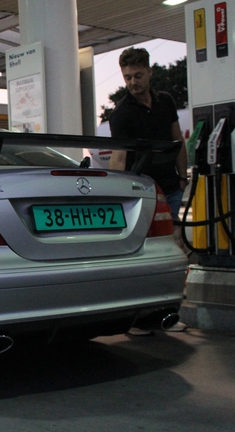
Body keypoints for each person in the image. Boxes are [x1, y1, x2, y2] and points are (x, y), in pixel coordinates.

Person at [108, 47, 188, 334]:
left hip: (170, 186)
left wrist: (182, 177)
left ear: (150, 72)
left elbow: (177, 139)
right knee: (146, 254)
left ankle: (168, 313)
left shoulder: (165, 101)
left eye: (138, 75)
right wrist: (120, 197)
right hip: (143, 193)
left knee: (174, 249)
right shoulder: (122, 113)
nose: (133, 82)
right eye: (127, 77)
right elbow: (120, 157)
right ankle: (141, 316)